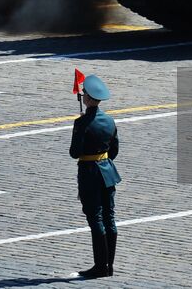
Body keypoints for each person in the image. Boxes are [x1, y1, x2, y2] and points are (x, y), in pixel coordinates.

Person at [70, 74, 121, 279]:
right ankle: (109, 265)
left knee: (96, 218)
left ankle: (100, 266)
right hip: (107, 171)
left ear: (88, 98)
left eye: (84, 94)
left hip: (89, 173)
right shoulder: (109, 120)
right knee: (110, 217)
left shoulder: (81, 123)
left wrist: (81, 127)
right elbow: (114, 150)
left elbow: (74, 152)